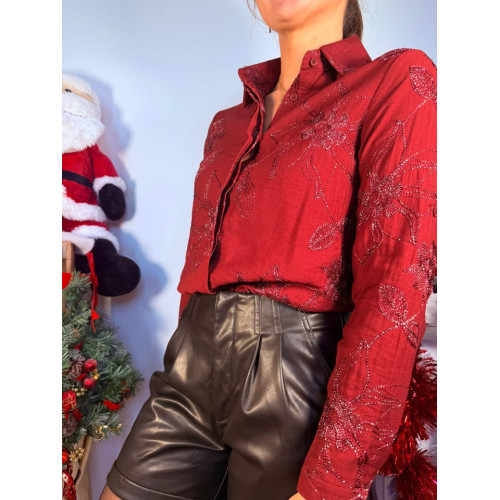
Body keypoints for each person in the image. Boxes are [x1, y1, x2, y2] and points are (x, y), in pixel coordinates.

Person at [101, 0, 437, 499]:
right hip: (190, 368)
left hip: (294, 384)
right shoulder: (227, 125)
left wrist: (331, 482)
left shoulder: (395, 80)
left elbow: (395, 284)